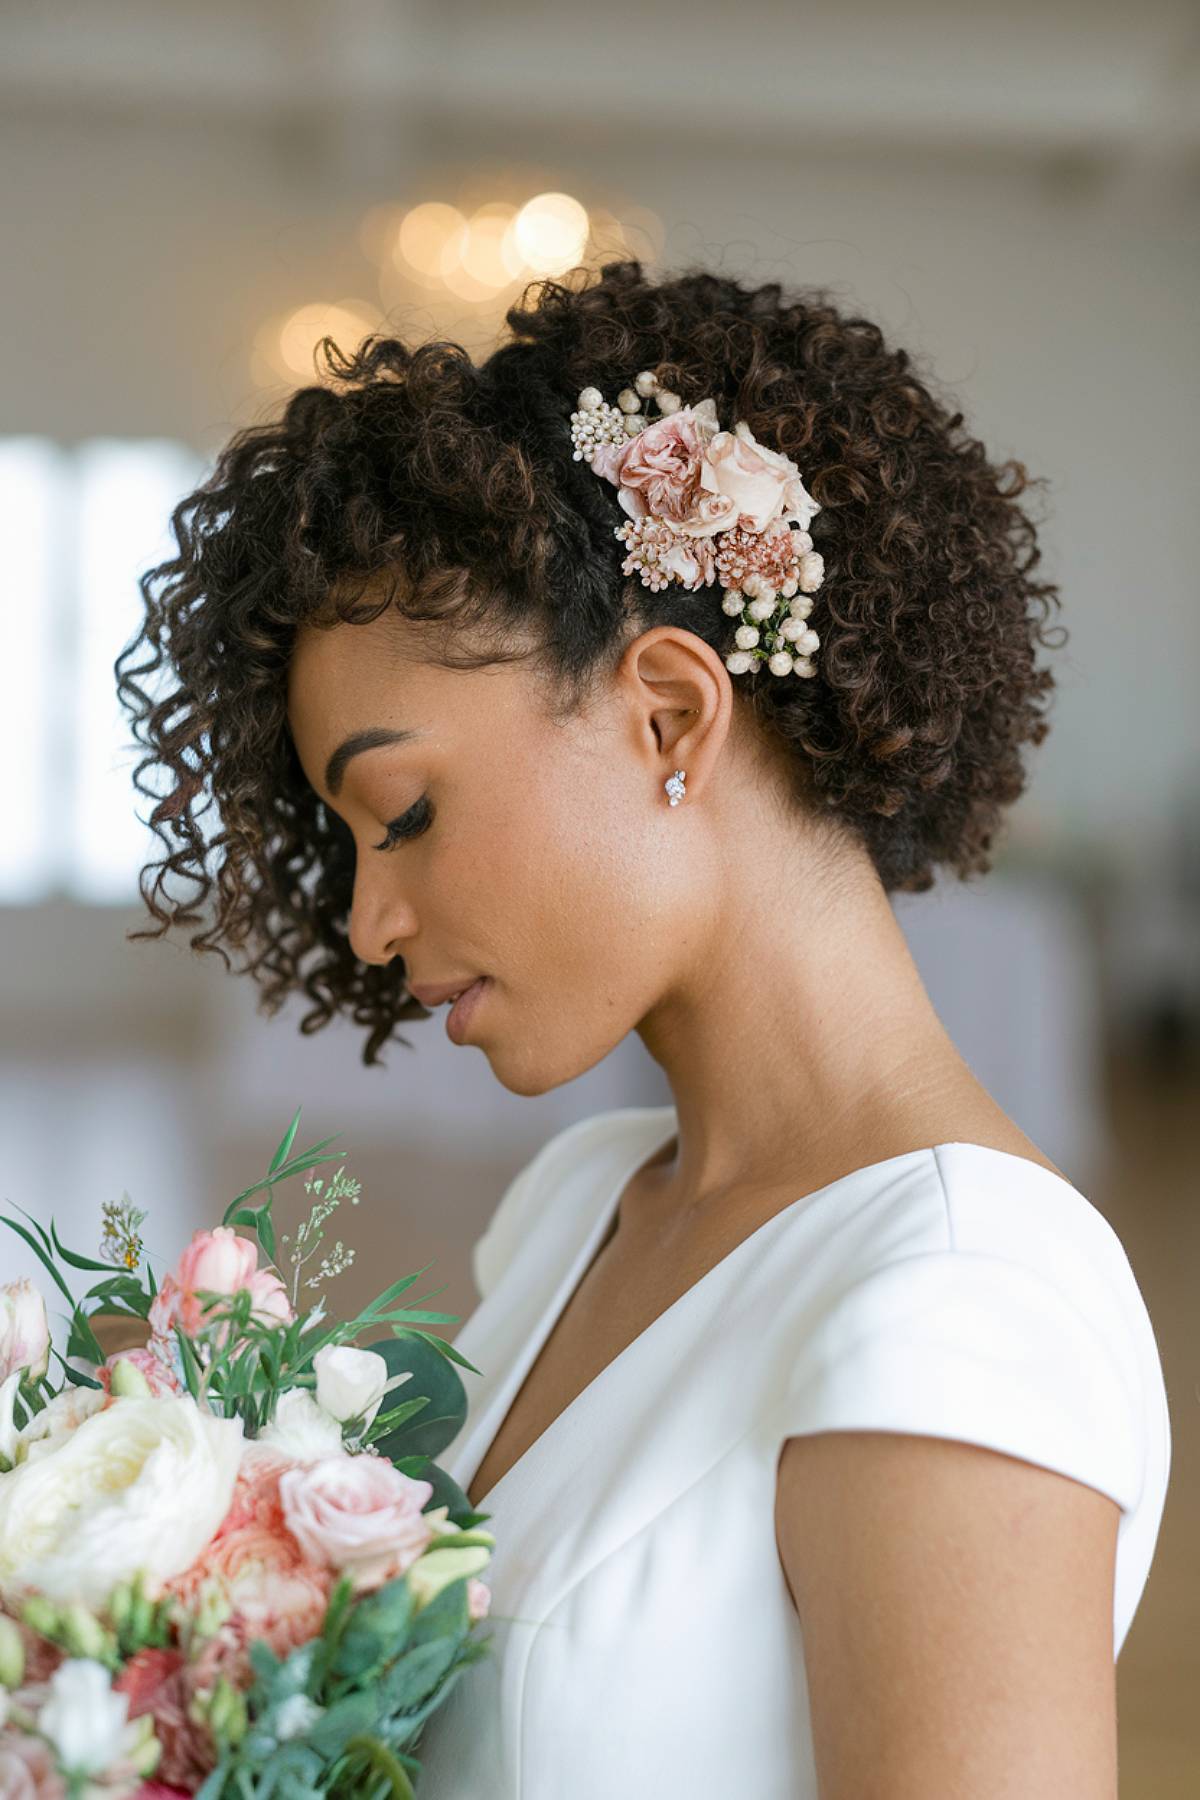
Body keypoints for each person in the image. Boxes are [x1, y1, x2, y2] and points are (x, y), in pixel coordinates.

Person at [115, 259, 1171, 1796]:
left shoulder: (959, 1294)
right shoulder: (578, 1205)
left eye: (402, 813)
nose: (365, 923)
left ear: (670, 713)